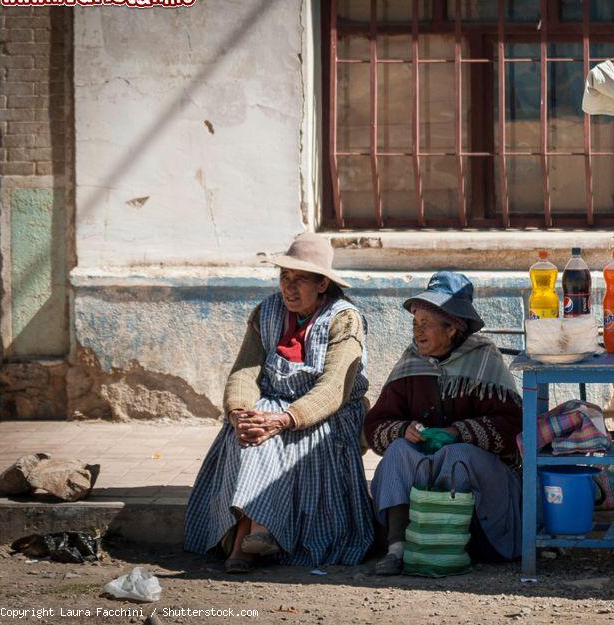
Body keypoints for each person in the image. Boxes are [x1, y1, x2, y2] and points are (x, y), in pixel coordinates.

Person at [184, 233, 374, 573]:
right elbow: (245, 371)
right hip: (276, 405)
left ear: (322, 284)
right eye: (284, 278)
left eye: (300, 279)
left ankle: (246, 541)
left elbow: (334, 388)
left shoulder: (345, 318)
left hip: (329, 413)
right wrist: (240, 412)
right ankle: (253, 532)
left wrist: (287, 418)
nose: (289, 287)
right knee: (248, 431)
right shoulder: (267, 311)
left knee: (277, 429)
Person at [364, 271, 522, 576]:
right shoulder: (411, 362)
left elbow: (513, 425)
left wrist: (458, 433)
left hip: (481, 477)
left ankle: (456, 545)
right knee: (398, 450)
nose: (417, 333)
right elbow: (376, 425)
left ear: (452, 328)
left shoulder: (484, 359)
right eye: (415, 324)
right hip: (425, 468)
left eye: (426, 325)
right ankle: (398, 549)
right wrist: (402, 429)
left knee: (456, 454)